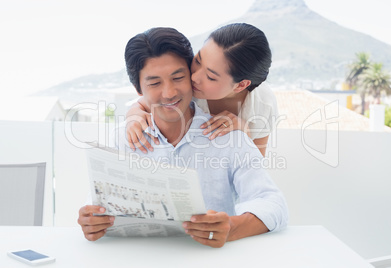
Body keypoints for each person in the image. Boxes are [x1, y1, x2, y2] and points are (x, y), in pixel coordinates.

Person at [77, 27, 288, 248]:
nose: (170, 92)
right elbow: (96, 202)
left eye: (179, 77)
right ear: (137, 88)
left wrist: (233, 227)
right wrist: (92, 219)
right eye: (155, 83)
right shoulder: (122, 137)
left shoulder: (237, 130)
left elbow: (271, 201)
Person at [125, 23, 278, 156]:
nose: (194, 77)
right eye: (198, 60)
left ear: (241, 85)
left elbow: (255, 168)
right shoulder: (187, 88)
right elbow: (143, 103)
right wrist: (133, 115)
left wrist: (244, 134)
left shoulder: (262, 105)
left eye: (210, 76)